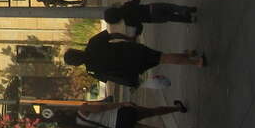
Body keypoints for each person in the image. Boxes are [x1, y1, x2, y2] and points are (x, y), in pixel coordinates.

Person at [64, 29, 204, 88]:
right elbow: (113, 35)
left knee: (161, 58)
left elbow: (112, 78)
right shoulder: (92, 43)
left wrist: (132, 82)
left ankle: (188, 55)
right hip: (131, 51)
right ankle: (195, 61)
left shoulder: (92, 71)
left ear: (77, 64)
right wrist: (129, 38)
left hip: (132, 67)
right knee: (162, 57)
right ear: (77, 51)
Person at [49, 100, 195, 128]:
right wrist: (122, 104)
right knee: (152, 111)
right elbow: (103, 107)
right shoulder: (82, 109)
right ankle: (176, 108)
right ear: (66, 112)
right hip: (121, 115)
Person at [104, 0, 197, 36]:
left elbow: (140, 26)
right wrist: (133, 3)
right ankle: (186, 10)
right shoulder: (126, 6)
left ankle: (189, 19)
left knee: (171, 17)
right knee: (171, 7)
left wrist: (136, 35)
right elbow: (137, 0)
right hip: (151, 8)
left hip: (153, 18)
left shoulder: (128, 21)